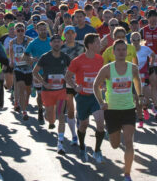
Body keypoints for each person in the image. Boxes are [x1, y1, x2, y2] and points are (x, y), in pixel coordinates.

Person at [93, 39, 142, 181]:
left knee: (129, 142)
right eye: (118, 50)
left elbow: (137, 81)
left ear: (127, 52)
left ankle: (127, 174)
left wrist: (140, 96)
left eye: (123, 50)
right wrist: (101, 102)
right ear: (113, 53)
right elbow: (96, 85)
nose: (121, 52)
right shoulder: (107, 68)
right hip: (112, 110)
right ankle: (113, 135)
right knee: (115, 145)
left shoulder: (133, 68)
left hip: (128, 109)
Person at [65, 33, 106, 163]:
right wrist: (75, 86)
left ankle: (97, 150)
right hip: (82, 98)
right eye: (97, 42)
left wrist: (103, 84)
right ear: (89, 45)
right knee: (84, 125)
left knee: (100, 123)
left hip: (96, 96)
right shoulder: (77, 61)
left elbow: (102, 76)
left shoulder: (100, 59)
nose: (100, 45)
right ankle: (82, 147)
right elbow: (67, 77)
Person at [33, 34, 71, 155]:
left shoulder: (65, 57)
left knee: (61, 115)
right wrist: (44, 82)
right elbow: (35, 72)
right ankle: (48, 114)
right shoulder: (45, 57)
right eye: (54, 42)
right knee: (50, 117)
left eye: (58, 42)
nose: (56, 44)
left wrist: (71, 79)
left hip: (61, 91)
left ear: (61, 43)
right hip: (47, 91)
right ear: (51, 44)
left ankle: (60, 143)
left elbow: (72, 70)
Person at [24, 21, 52, 123]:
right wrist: (30, 59)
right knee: (40, 94)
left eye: (45, 29)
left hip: (50, 73)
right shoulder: (33, 43)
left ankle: (47, 110)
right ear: (37, 30)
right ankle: (40, 110)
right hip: (38, 73)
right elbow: (25, 55)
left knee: (50, 94)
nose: (43, 31)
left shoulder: (51, 41)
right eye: (41, 30)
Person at [8, 22, 32, 121]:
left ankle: (22, 102)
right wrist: (11, 61)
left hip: (28, 68)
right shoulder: (12, 42)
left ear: (24, 31)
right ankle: (24, 111)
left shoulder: (29, 40)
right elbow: (11, 52)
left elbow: (33, 51)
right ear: (15, 31)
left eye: (22, 30)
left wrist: (31, 59)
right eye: (18, 30)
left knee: (28, 90)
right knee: (20, 87)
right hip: (18, 68)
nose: (20, 32)